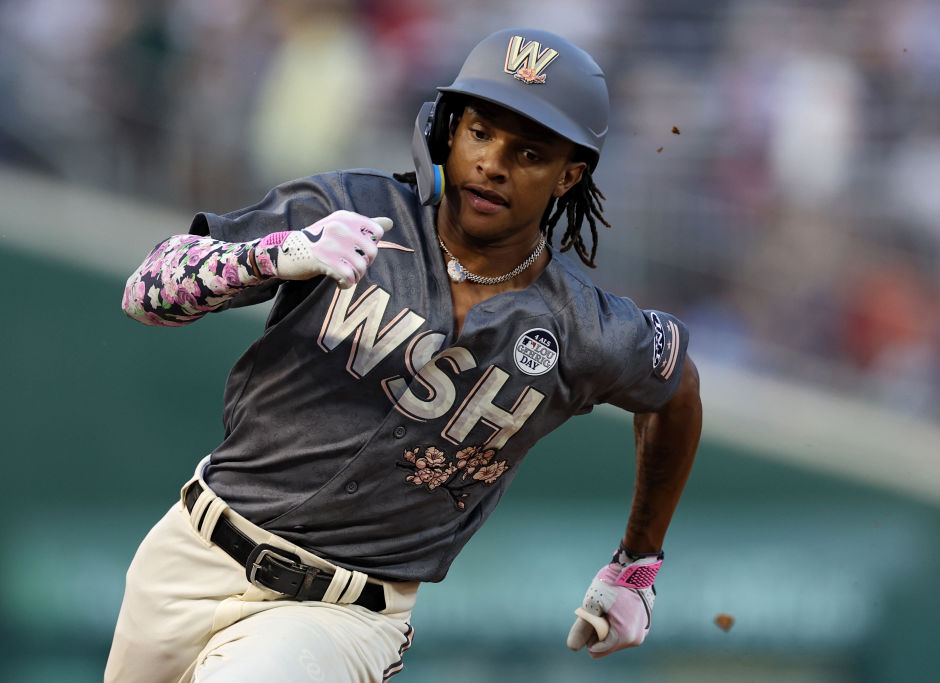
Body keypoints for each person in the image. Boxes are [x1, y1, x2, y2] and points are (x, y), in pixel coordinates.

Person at [106, 27, 702, 683]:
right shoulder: (349, 208)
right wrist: (277, 253)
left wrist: (637, 563)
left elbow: (676, 391)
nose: (494, 163)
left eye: (529, 151)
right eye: (481, 132)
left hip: (344, 615)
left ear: (570, 175)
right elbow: (146, 291)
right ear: (448, 131)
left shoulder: (585, 328)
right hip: (188, 555)